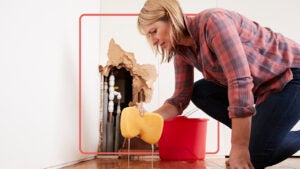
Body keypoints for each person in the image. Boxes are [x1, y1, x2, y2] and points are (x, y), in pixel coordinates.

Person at [136, 0, 300, 168]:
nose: (153, 40)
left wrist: (239, 147)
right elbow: (180, 99)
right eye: (149, 36)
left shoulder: (213, 22)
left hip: (291, 76)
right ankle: (255, 138)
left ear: (171, 17)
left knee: (253, 157)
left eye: (154, 31)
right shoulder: (181, 51)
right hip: (262, 87)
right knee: (200, 91)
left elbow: (239, 81)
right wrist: (149, 118)